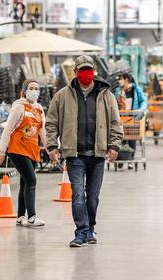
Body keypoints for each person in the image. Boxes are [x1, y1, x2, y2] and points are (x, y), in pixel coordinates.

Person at [46, 55, 123, 248]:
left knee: (93, 197)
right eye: (82, 70)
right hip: (75, 155)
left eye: (89, 69)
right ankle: (80, 232)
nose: (86, 73)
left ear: (94, 71)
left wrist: (114, 145)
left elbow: (115, 122)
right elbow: (51, 122)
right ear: (75, 72)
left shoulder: (106, 95)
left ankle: (90, 228)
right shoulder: (63, 95)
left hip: (97, 155)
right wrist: (52, 146)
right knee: (78, 195)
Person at [0, 79, 47, 228]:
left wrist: (50, 149)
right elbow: (8, 129)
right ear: (24, 91)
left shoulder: (39, 109)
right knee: (31, 180)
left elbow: (42, 131)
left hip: (32, 149)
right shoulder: (18, 107)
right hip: (17, 150)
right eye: (31, 88)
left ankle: (20, 216)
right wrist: (1, 151)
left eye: (37, 88)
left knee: (24, 182)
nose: (34, 91)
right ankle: (31, 217)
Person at [115, 73, 147, 169]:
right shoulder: (118, 90)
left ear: (126, 79)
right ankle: (121, 157)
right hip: (122, 117)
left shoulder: (136, 90)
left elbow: (144, 101)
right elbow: (115, 102)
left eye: (120, 79)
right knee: (122, 137)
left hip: (133, 117)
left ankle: (131, 160)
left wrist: (140, 110)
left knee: (132, 137)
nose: (119, 81)